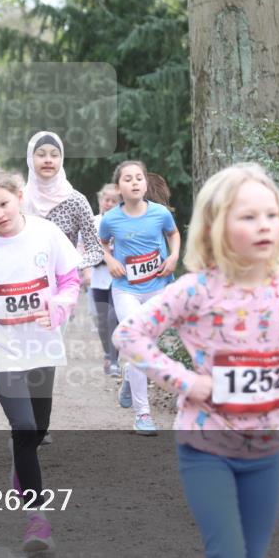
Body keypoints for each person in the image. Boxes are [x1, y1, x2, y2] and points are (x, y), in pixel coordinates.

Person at [113, 162, 279, 558]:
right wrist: (187, 382)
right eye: (248, 216)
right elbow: (128, 334)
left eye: (272, 215)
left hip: (265, 449)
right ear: (216, 226)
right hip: (206, 447)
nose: (264, 226)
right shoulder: (195, 290)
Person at [0, 167, 81, 553]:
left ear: (18, 195)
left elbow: (71, 282)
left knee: (39, 430)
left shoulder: (47, 234)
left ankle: (21, 470)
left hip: (41, 344)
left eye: (4, 204)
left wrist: (57, 308)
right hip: (1, 348)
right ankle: (37, 521)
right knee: (23, 428)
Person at [98, 160, 180, 436]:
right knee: (137, 344)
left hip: (158, 287)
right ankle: (143, 414)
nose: (134, 183)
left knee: (144, 348)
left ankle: (131, 381)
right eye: (128, 179)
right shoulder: (111, 219)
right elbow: (102, 243)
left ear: (146, 183)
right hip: (126, 290)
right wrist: (109, 259)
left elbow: (173, 233)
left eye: (139, 178)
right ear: (119, 187)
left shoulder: (160, 213)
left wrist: (173, 257)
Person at [22, 130, 103, 284]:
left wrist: (69, 267)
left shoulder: (75, 201)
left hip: (62, 288)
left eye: (54, 155)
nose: (48, 160)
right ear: (30, 159)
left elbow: (95, 250)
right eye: (41, 154)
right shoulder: (18, 200)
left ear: (62, 158)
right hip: (24, 286)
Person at [90, 183, 121, 376]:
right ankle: (107, 352)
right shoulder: (92, 222)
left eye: (113, 201)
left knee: (113, 317)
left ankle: (114, 359)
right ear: (100, 200)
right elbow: (82, 246)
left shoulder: (122, 221)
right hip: (98, 276)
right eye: (106, 200)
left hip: (118, 276)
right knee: (101, 320)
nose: (108, 204)